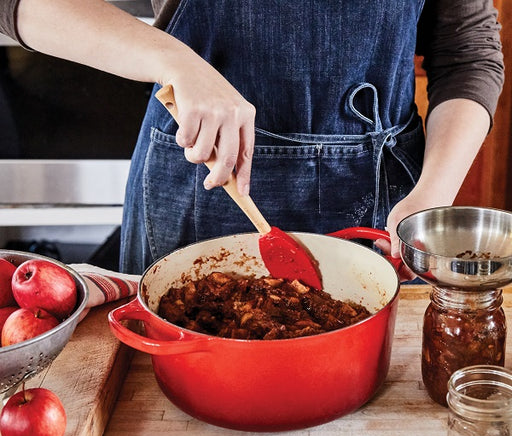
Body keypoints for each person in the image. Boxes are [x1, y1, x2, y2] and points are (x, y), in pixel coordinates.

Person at [0, 0, 504, 276]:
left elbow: (468, 52)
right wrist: (172, 60)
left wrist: (432, 195)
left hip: (386, 204)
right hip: (203, 182)